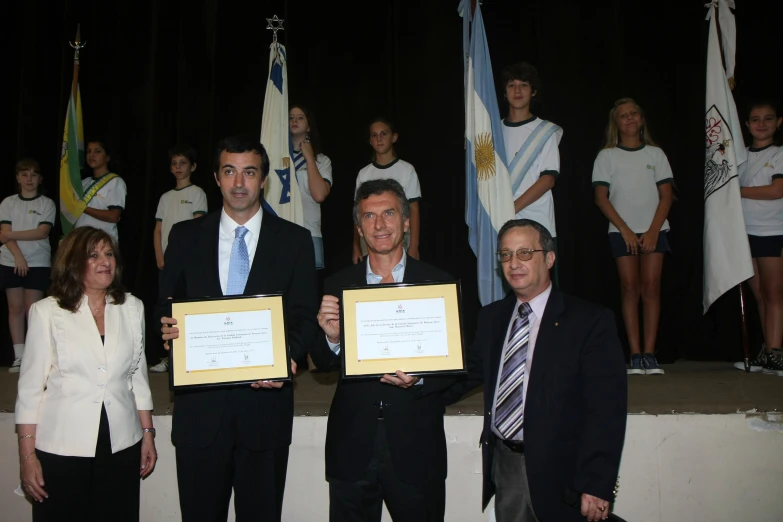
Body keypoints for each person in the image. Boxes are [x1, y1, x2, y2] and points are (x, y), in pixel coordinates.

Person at [158, 135, 320, 521]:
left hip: (264, 414)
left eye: (249, 172)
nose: (239, 183)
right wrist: (166, 331)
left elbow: (303, 314)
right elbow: (165, 306)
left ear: (263, 179)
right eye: (229, 172)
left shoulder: (295, 241)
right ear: (216, 177)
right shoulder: (183, 237)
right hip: (200, 417)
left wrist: (287, 357)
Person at [443, 219, 627, 522]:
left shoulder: (589, 322)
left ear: (550, 258)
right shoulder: (492, 319)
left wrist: (597, 483)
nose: (513, 263)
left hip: (564, 475)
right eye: (505, 255)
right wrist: (417, 382)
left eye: (525, 253)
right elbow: (465, 376)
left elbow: (606, 410)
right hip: (506, 466)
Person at [313, 178, 454, 522]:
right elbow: (321, 364)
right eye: (369, 217)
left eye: (389, 213)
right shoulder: (337, 284)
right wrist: (332, 338)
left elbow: (458, 367)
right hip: (352, 445)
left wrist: (420, 380)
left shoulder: (437, 284)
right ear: (358, 227)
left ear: (406, 222)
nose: (379, 225)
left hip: (416, 445)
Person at [15, 226, 156, 522]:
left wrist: (147, 434)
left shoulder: (132, 308)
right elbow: (29, 392)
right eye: (93, 255)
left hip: (121, 445)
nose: (105, 261)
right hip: (62, 448)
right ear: (74, 263)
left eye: (109, 254)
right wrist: (27, 457)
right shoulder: (46, 312)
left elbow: (138, 379)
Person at [592, 98, 673, 375]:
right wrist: (625, 228)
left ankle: (650, 354)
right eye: (623, 116)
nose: (629, 119)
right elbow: (601, 198)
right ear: (616, 122)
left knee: (651, 288)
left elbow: (666, 196)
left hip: (654, 230)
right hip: (621, 231)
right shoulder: (607, 156)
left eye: (633, 114)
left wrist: (652, 231)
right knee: (629, 289)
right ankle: (635, 355)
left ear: (641, 119)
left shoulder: (656, 154)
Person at [500, 62, 563, 281]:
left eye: (524, 85)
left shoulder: (545, 131)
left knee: (540, 288)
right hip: (499, 225)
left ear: (533, 91)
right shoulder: (492, 132)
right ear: (504, 92)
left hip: (538, 224)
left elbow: (547, 180)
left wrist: (510, 209)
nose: (517, 91)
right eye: (511, 85)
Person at [734, 100, 783, 376]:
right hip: (744, 232)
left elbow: (777, 190)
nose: (761, 124)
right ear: (747, 125)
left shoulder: (780, 153)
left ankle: (776, 352)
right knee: (760, 295)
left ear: (778, 123)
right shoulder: (739, 156)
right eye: (755, 119)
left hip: (772, 230)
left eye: (768, 119)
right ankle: (768, 350)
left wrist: (738, 192)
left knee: (775, 293)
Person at [149, 144, 208, 373]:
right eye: (174, 163)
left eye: (182, 163)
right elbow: (157, 229)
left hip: (189, 261)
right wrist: (159, 256)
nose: (177, 167)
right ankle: (168, 354)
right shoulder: (165, 197)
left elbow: (199, 227)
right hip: (167, 261)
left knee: (187, 305)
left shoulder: (197, 193)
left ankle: (188, 354)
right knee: (166, 306)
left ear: (193, 166)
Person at [0, 158, 55, 372]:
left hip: (38, 261)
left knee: (32, 310)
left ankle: (34, 357)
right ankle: (19, 356)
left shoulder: (46, 203)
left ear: (40, 179)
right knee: (14, 308)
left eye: (33, 175)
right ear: (17, 178)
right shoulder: (8, 203)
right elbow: (4, 233)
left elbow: (42, 232)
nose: (29, 179)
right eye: (24, 174)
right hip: (10, 260)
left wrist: (8, 235)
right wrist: (18, 257)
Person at [352, 118, 421, 263]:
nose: (379, 139)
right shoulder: (364, 173)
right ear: (370, 141)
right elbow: (358, 213)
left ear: (394, 137)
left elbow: (414, 210)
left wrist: (414, 246)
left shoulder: (406, 170)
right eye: (374, 135)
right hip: (370, 235)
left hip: (399, 234)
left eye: (384, 134)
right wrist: (356, 245)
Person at [290, 105, 333, 271]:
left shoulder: (322, 161)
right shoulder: (275, 158)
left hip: (308, 232)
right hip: (279, 232)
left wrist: (309, 158)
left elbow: (319, 195)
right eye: (290, 117)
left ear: (308, 126)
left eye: (300, 117)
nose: (294, 120)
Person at [74, 139, 127, 242]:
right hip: (80, 241)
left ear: (107, 157)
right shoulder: (83, 183)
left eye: (97, 151)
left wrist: (84, 208)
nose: (91, 155)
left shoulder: (115, 181)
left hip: (102, 243)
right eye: (89, 151)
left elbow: (114, 216)